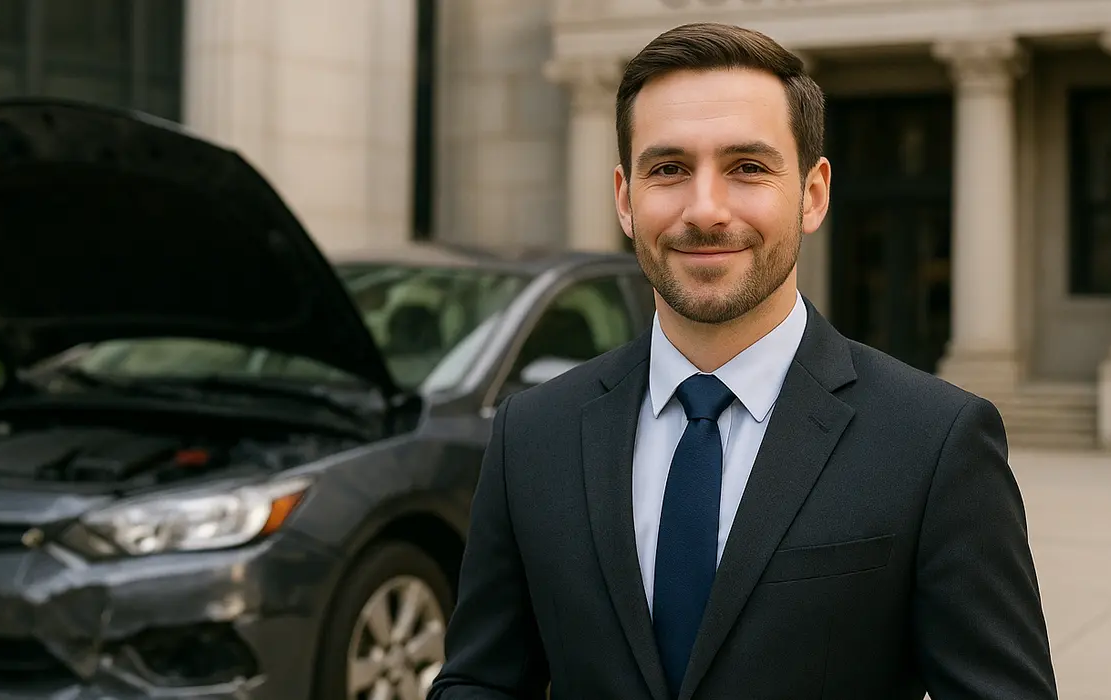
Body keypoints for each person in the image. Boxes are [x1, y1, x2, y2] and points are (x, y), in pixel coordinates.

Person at [428, 21, 1057, 700]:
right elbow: (480, 681)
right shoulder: (532, 434)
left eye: (747, 168)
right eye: (668, 169)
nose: (705, 209)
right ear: (624, 198)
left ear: (812, 194)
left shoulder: (935, 442)